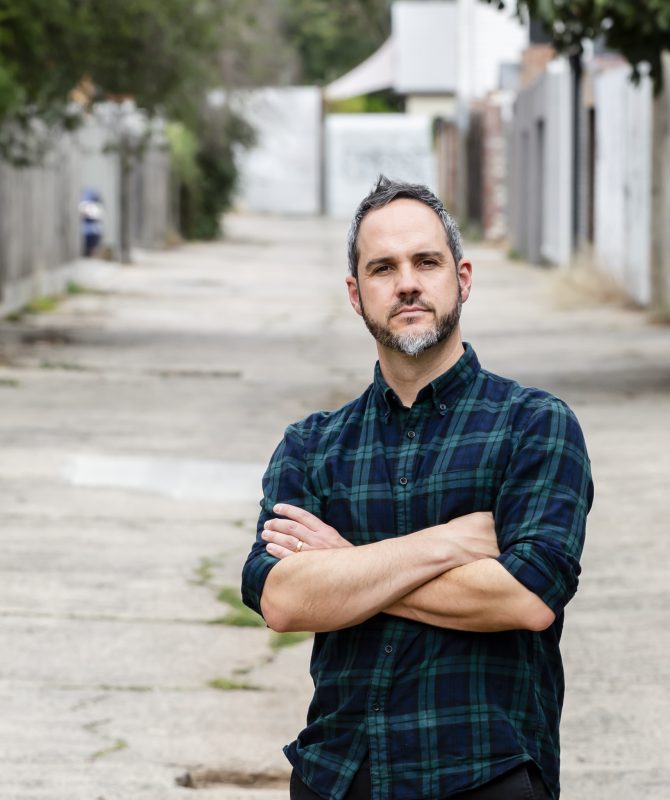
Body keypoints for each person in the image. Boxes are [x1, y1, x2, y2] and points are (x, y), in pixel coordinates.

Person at [240, 176, 594, 800]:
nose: (407, 282)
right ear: (355, 293)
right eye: (383, 267)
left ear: (462, 277)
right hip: (338, 776)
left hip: (489, 773)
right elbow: (282, 599)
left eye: (425, 262)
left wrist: (345, 570)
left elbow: (526, 598)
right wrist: (452, 546)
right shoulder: (313, 445)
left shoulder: (534, 425)